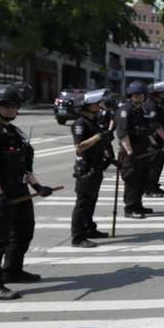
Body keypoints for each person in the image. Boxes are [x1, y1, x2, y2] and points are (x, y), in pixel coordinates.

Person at [0, 83, 52, 301]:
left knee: (24, 231)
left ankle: (12, 270)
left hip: (20, 190)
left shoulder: (14, 133)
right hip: (0, 192)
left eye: (14, 106)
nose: (11, 110)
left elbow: (25, 166)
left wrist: (38, 186)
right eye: (6, 106)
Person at [70, 89, 114, 248]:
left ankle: (89, 229)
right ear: (86, 106)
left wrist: (110, 157)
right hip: (85, 168)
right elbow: (79, 147)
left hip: (96, 166)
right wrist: (98, 137)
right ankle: (77, 237)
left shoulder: (94, 121)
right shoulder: (80, 123)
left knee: (91, 201)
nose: (99, 105)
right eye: (96, 103)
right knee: (82, 203)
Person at [115, 80, 154, 219]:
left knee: (142, 178)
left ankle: (138, 204)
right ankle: (130, 208)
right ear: (131, 95)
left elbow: (146, 130)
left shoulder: (140, 110)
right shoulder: (125, 111)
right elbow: (123, 133)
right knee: (132, 180)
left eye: (142, 95)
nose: (140, 97)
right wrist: (130, 151)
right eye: (137, 95)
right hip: (130, 152)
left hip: (142, 150)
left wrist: (152, 144)